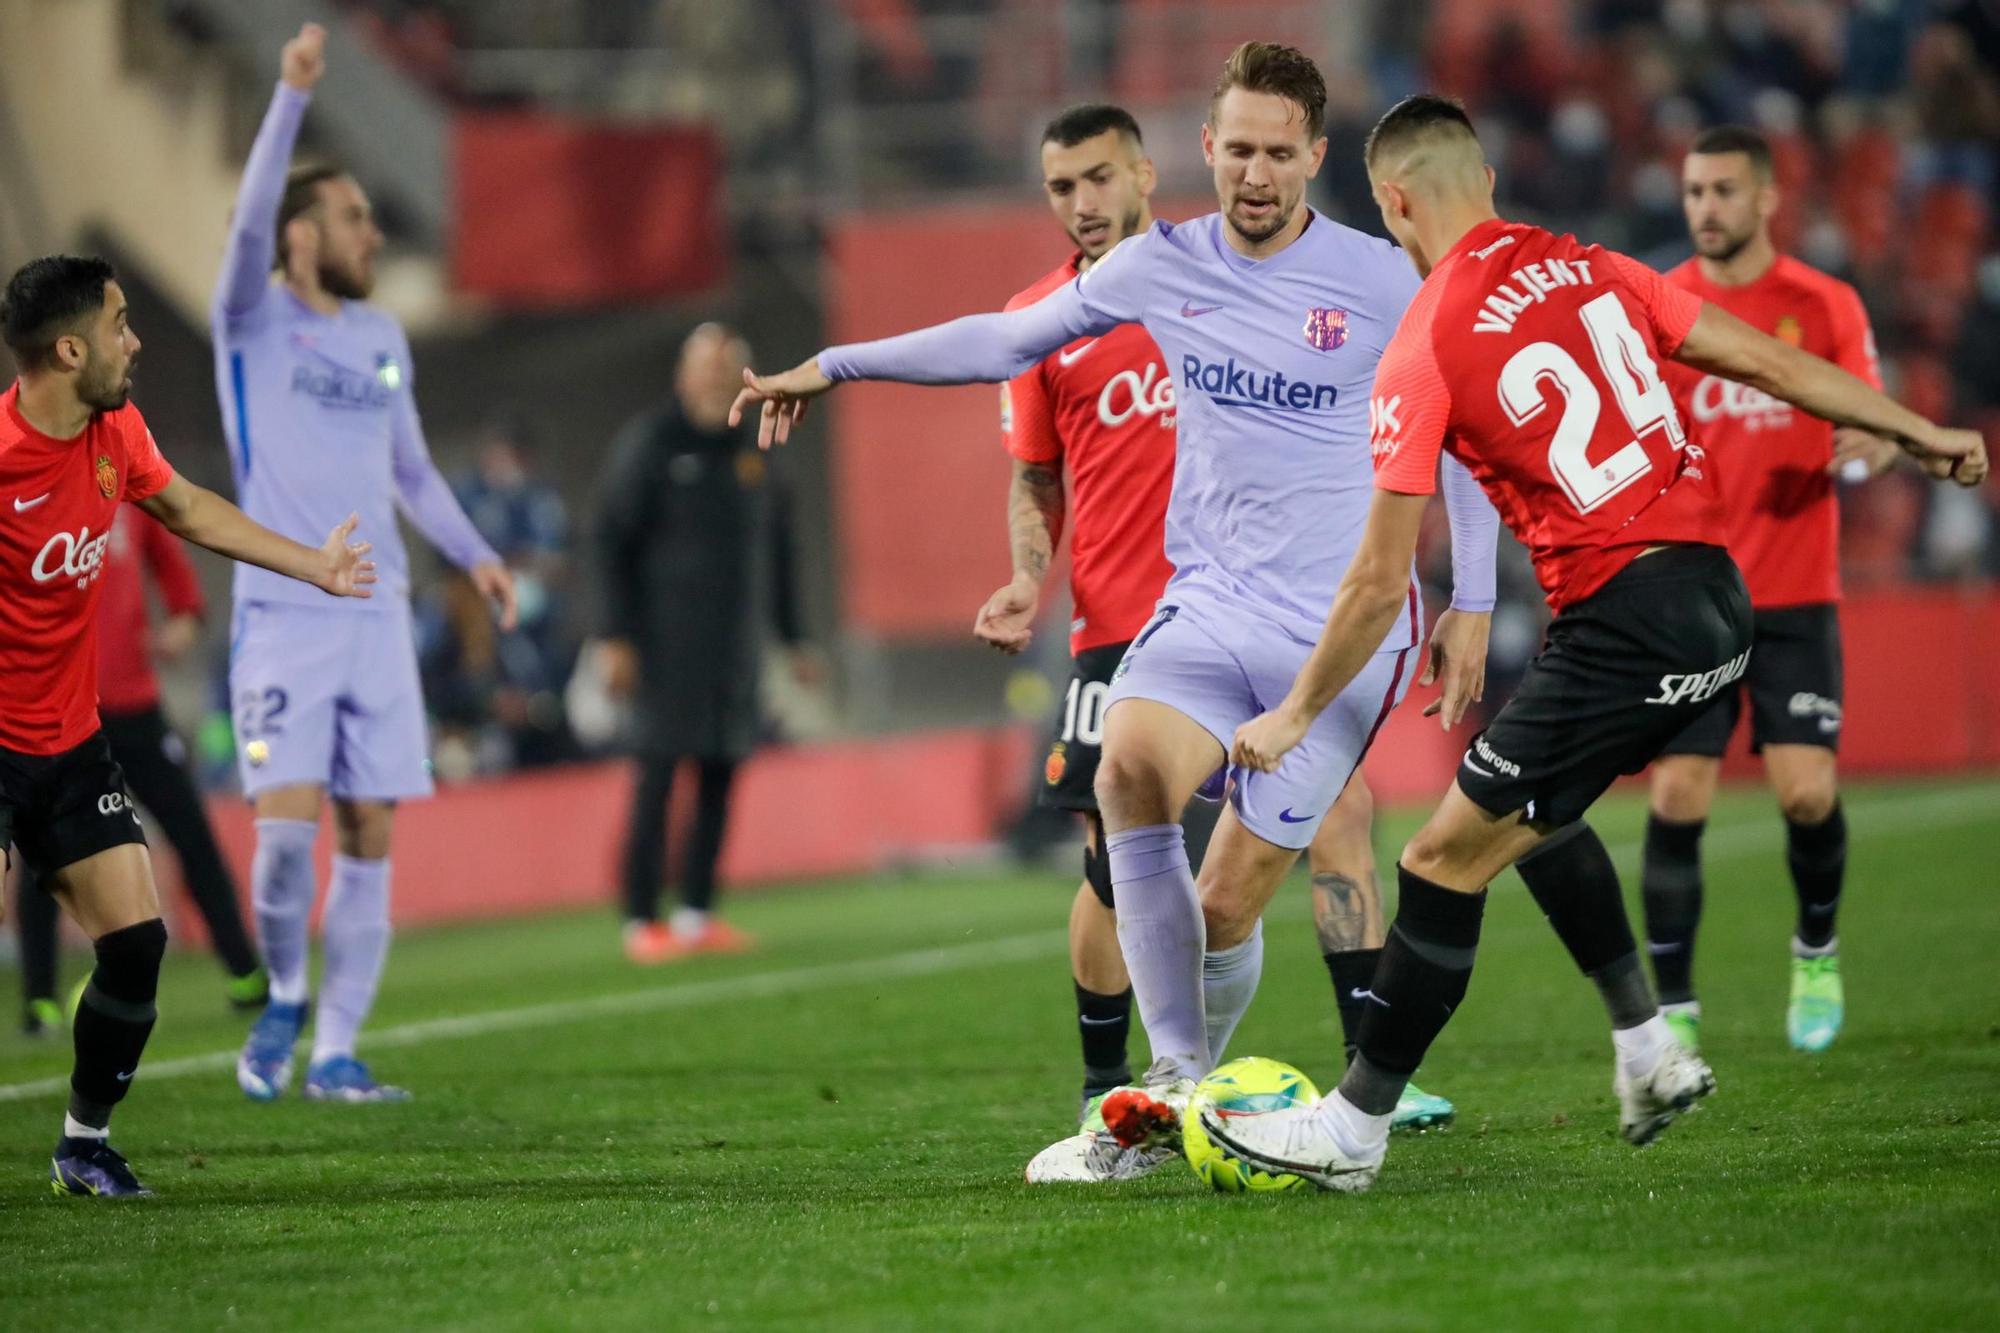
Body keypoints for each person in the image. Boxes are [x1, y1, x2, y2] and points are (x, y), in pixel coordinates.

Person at [729, 44, 1501, 1180]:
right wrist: (833, 365)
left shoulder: (1383, 280)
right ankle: (1165, 1097)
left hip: (1337, 637)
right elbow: (1003, 342)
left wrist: (1471, 600)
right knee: (1124, 771)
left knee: (1227, 906)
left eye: (1277, 153)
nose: (1253, 172)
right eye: (1235, 148)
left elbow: (1472, 435)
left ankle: (1193, 1080)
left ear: (1314, 158)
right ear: (1203, 150)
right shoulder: (1161, 266)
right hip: (1208, 603)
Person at [1205, 95, 1984, 1193]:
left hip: (1626, 618)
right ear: (1482, 179)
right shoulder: (1596, 267)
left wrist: (1292, 712)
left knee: (1435, 861)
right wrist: (1921, 431)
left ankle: (1352, 1132)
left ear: (1390, 203)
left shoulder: (1420, 341)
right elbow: (1765, 363)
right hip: (1719, 596)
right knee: (1529, 809)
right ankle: (1644, 1044)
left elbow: (1380, 577)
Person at [975, 103, 1454, 1176]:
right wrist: (1022, 573)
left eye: (1098, 179)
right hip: (1122, 626)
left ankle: (1360, 1067)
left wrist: (1446, 585)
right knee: (1112, 863)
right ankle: (1115, 1091)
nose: (1082, 205)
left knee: (1336, 825)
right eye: (1060, 188)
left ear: (1149, 172)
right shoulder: (1050, 320)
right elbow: (1033, 473)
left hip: (1273, 617)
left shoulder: (1217, 279)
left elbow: (1407, 397)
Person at [1, 253, 376, 1196]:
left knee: (135, 945)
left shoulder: (112, 425)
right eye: (121, 324)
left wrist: (314, 566)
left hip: (72, 739)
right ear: (70, 346)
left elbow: (186, 508)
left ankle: (82, 1144)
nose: (135, 340)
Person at [218, 25, 516, 1105]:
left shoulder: (382, 337)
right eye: (353, 216)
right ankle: (288, 994)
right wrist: (291, 98)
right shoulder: (248, 321)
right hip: (285, 609)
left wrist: (476, 556)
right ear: (300, 236)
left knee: (371, 827)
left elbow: (413, 470)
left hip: (377, 610)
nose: (373, 230)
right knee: (288, 833)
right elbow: (248, 215)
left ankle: (338, 1049)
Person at [1645, 126, 1900, 1055]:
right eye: (1693, 191)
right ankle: (1672, 1008)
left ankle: (1817, 948)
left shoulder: (1822, 303)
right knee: (1676, 796)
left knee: (1803, 794)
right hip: (1694, 599)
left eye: (1722, 190)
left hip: (1795, 595)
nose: (1704, 207)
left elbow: (1872, 416)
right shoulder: (1665, 307)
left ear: (1765, 200)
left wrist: (1868, 449)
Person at [595, 323, 810, 964]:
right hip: (664, 645)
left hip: (733, 646)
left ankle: (696, 911)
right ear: (682, 376)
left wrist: (793, 638)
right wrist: (615, 636)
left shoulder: (758, 450)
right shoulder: (651, 445)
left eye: (729, 369)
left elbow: (781, 553)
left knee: (721, 774)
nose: (717, 381)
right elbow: (609, 539)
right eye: (707, 369)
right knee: (657, 777)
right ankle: (640, 920)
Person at [16, 502, 267, 1034]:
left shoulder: (127, 486)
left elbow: (177, 577)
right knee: (43, 851)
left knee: (191, 833)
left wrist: (182, 621)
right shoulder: (29, 489)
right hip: (56, 707)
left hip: (134, 705)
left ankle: (244, 971)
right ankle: (39, 1000)